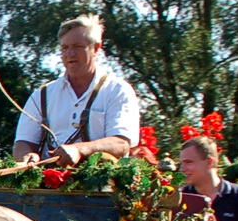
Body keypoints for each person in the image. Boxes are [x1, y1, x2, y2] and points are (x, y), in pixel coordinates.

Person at [12, 14, 142, 167]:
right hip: (47, 187)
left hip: (101, 186)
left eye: (77, 47)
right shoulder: (42, 95)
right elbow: (22, 142)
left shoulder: (117, 90)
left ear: (96, 48)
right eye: (65, 48)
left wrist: (79, 150)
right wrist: (27, 156)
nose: (70, 54)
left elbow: (121, 143)